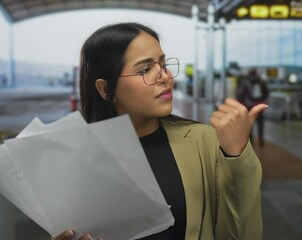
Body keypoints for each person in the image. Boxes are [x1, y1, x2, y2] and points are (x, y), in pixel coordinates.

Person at [54, 22, 267, 240]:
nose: (166, 77)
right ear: (106, 89)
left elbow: (243, 234)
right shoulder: (73, 159)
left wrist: (236, 154)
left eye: (163, 64)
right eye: (145, 69)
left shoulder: (206, 142)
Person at [236, 68, 269, 147]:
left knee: (250, 124)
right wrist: (261, 100)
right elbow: (266, 93)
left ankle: (251, 141)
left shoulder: (245, 82)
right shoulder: (261, 82)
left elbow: (240, 94)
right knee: (260, 123)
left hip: (249, 106)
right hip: (259, 105)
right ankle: (261, 140)